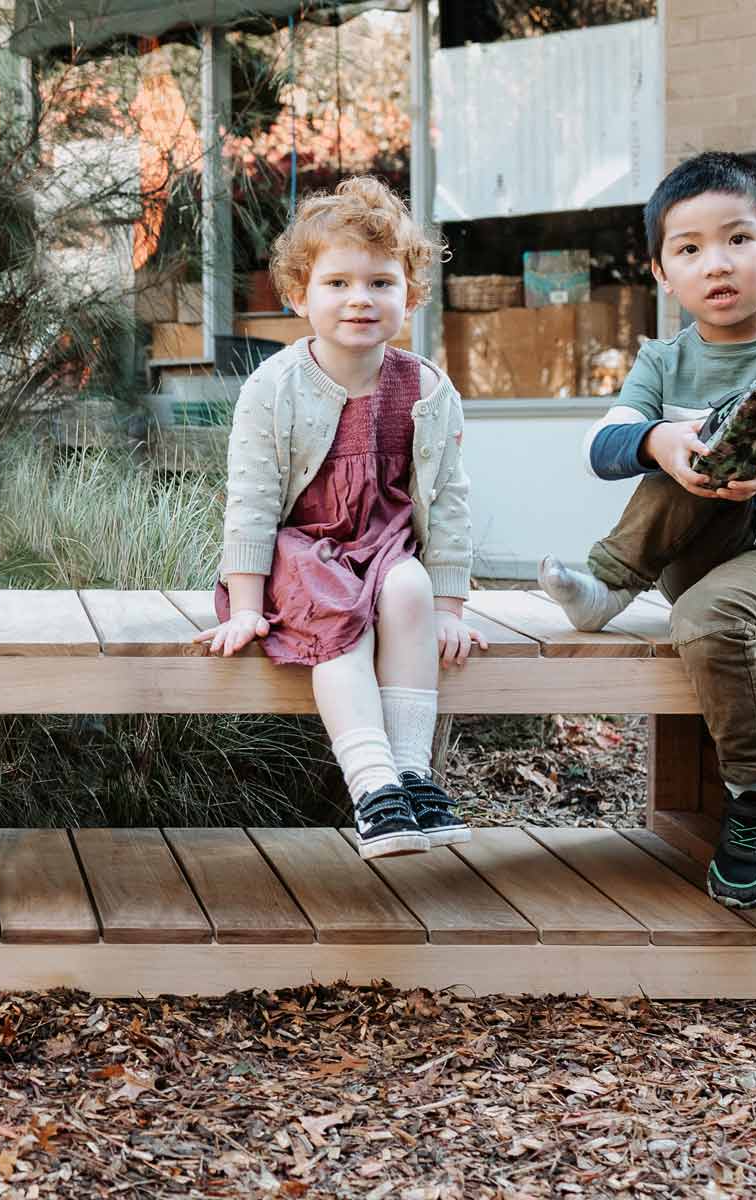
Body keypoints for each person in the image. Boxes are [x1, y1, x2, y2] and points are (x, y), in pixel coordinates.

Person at [539, 151, 756, 910]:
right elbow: (599, 447)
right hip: (702, 542)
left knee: (706, 618)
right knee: (677, 443)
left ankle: (754, 798)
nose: (716, 264)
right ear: (660, 271)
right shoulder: (663, 358)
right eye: (689, 249)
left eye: (738, 240)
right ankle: (609, 584)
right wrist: (659, 441)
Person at [195, 176, 487, 860]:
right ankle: (373, 789)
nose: (360, 298)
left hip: (384, 548)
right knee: (337, 623)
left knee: (410, 589)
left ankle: (414, 778)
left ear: (409, 296)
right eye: (337, 283)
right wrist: (243, 604)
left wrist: (450, 606)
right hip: (301, 553)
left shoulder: (426, 387)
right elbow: (253, 498)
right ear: (299, 296)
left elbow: (448, 497)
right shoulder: (274, 388)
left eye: (381, 283)